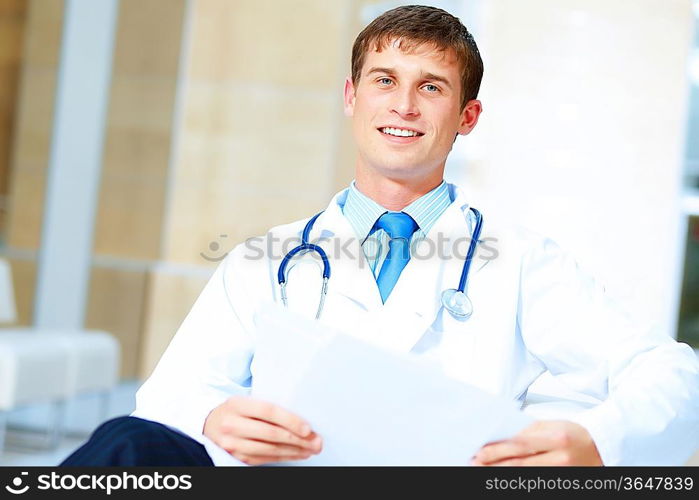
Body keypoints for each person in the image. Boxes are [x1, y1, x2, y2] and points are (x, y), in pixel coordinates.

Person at [61, 5, 699, 467]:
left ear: (467, 117)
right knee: (127, 444)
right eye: (385, 80)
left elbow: (674, 375)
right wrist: (210, 416)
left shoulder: (525, 263)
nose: (404, 106)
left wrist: (597, 440)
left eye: (432, 88)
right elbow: (171, 391)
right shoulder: (268, 259)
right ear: (351, 96)